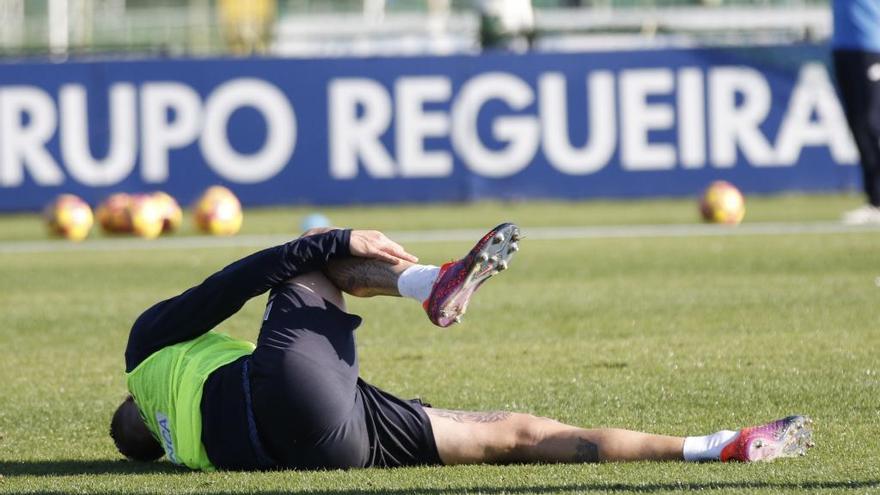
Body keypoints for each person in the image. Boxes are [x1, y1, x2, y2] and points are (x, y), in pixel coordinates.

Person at [110, 224, 813, 471]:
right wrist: (333, 242)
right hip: (285, 391)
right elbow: (230, 283)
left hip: (326, 443)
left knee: (514, 434)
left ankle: (715, 444)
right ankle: (430, 283)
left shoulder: (178, 445)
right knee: (300, 265)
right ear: (131, 406)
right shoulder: (146, 355)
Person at [832, 0, 880, 224]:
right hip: (843, 44)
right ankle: (875, 200)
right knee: (859, 125)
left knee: (871, 123)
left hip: (873, 41)